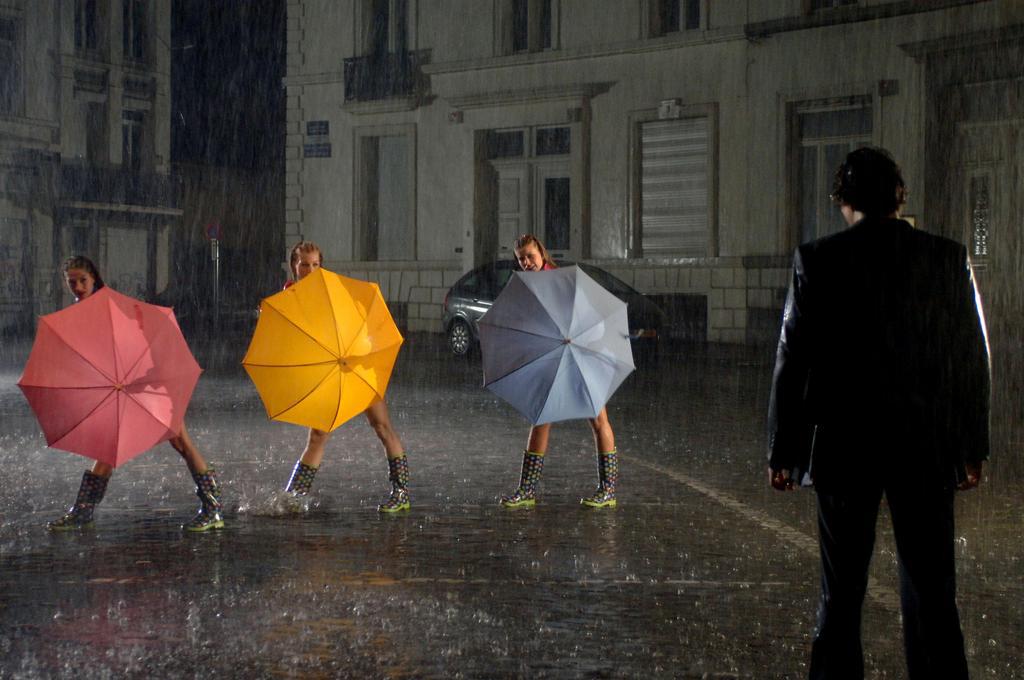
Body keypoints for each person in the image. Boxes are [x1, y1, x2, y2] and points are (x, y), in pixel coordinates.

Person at [767, 147, 990, 678]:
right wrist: (970, 444)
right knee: (933, 592)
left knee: (840, 593)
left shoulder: (817, 260)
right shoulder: (944, 257)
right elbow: (969, 357)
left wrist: (785, 449)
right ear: (899, 196)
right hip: (924, 442)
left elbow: (792, 359)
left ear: (844, 201)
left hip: (845, 443)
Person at [50, 256, 224, 532]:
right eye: (72, 282)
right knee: (110, 446)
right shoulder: (79, 311)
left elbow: (137, 333)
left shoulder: (107, 305)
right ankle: (83, 511)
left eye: (83, 280)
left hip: (147, 380)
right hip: (122, 384)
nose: (78, 287)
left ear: (94, 278)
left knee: (180, 441)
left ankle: (213, 508)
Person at [280, 241, 411, 513]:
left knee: (382, 426)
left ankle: (401, 493)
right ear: (294, 265)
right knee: (317, 435)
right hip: (328, 371)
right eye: (305, 264)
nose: (310, 269)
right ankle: (295, 496)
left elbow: (357, 320)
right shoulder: (289, 296)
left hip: (356, 364)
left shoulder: (332, 290)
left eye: (316, 264)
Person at [499, 234, 620, 509]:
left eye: (530, 255)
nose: (526, 262)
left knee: (598, 418)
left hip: (583, 353)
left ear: (541, 251)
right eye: (521, 259)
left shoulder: (565, 281)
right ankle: (526, 490)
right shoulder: (526, 288)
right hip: (553, 357)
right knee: (541, 417)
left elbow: (592, 317)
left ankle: (608, 490)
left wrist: (580, 336)